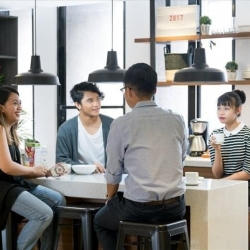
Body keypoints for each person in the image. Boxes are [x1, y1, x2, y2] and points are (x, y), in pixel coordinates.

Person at [94, 63, 188, 250]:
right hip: (176, 208)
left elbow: (113, 170)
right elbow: (182, 157)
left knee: (100, 221)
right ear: (155, 89)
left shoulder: (121, 124)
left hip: (139, 209)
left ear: (129, 91)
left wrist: (110, 198)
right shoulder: (177, 119)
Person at [0, 85, 66, 250]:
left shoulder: (11, 133)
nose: (20, 107)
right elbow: (7, 167)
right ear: (1, 107)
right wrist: (32, 170)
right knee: (43, 214)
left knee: (58, 200)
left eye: (20, 103)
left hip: (13, 185)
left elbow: (16, 170)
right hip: (3, 189)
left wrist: (43, 171)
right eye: (15, 103)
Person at [56, 81, 114, 172]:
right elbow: (61, 161)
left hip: (109, 179)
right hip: (78, 180)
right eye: (90, 100)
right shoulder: (65, 129)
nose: (96, 104)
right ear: (78, 105)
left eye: (98, 99)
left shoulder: (113, 125)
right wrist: (89, 168)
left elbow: (125, 157)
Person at [209, 90, 250, 188]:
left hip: (243, 189)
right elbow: (217, 174)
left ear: (238, 110)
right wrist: (217, 150)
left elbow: (247, 173)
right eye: (219, 108)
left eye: (226, 109)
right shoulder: (215, 134)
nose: (221, 113)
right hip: (223, 187)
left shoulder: (247, 135)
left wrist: (220, 184)